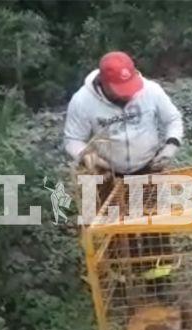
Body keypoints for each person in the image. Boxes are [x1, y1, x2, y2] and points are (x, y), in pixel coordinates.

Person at [64, 51, 184, 301]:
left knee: (154, 225)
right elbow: (72, 139)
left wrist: (171, 144)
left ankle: (158, 280)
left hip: (148, 166)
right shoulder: (82, 101)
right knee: (115, 230)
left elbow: (173, 119)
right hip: (109, 172)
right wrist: (86, 156)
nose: (128, 93)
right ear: (105, 84)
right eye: (120, 88)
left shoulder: (150, 91)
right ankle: (119, 285)